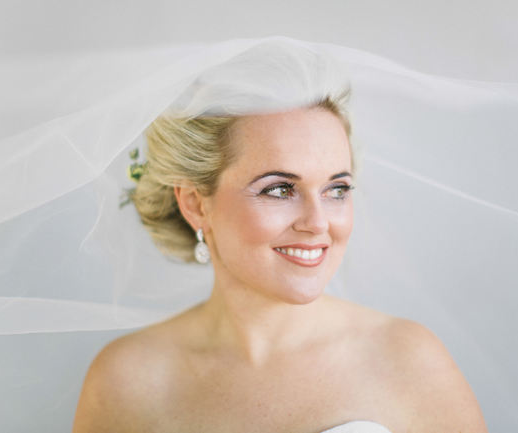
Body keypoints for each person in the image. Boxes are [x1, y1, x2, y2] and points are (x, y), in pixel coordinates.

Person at [71, 41, 488, 433]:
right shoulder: (128, 381)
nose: (318, 222)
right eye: (280, 189)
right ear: (196, 203)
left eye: (336, 189)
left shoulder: (406, 358)